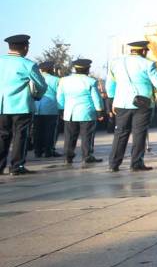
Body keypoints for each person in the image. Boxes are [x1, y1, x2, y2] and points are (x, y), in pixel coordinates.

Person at [107, 40, 157, 172]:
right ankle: (136, 163)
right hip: (142, 103)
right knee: (139, 133)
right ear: (143, 51)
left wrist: (112, 100)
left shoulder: (115, 63)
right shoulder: (148, 63)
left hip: (121, 103)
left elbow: (109, 85)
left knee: (120, 133)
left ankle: (113, 163)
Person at [1, 35, 48, 175]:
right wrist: (37, 96)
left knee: (2, 135)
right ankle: (16, 167)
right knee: (20, 136)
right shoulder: (28, 64)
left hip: (1, 106)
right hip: (20, 106)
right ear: (26, 47)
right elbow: (41, 85)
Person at [57, 58, 103, 166]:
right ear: (87, 69)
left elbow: (60, 96)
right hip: (86, 113)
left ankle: (68, 157)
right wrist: (100, 111)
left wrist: (61, 109)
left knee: (69, 137)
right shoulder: (91, 81)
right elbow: (96, 98)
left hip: (70, 113)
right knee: (87, 136)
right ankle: (87, 156)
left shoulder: (64, 80)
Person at [32, 61, 62, 158]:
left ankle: (38, 151)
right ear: (51, 69)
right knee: (50, 130)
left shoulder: (35, 78)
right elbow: (60, 94)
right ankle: (49, 150)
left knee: (37, 130)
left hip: (36, 106)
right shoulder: (56, 80)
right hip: (50, 108)